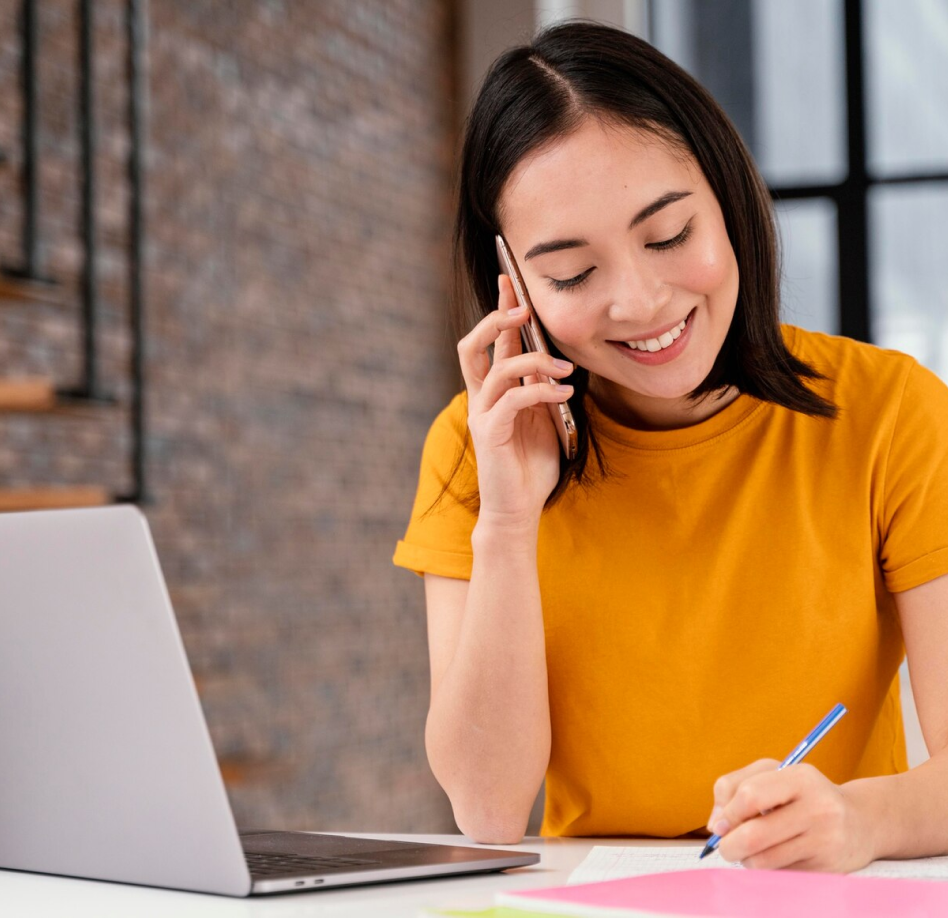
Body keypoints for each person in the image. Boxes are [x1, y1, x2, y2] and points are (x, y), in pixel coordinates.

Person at [393, 20, 948, 872]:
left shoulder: (892, 414)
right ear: (514, 288)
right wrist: (508, 520)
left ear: (727, 199)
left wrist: (858, 818)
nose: (641, 302)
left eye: (668, 236)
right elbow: (490, 808)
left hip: (821, 894)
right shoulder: (479, 448)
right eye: (573, 274)